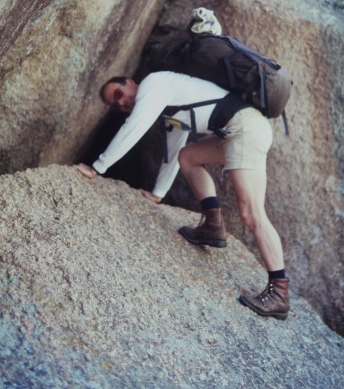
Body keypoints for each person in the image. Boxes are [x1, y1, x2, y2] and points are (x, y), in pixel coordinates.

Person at [77, 70, 290, 319]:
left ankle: (280, 293)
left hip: (245, 128)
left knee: (252, 214)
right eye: (116, 104)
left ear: (131, 82)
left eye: (118, 94)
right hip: (237, 130)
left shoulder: (153, 84)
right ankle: (213, 227)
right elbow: (174, 147)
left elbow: (134, 127)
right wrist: (158, 193)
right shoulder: (170, 104)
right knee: (188, 157)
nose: (121, 103)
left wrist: (97, 167)